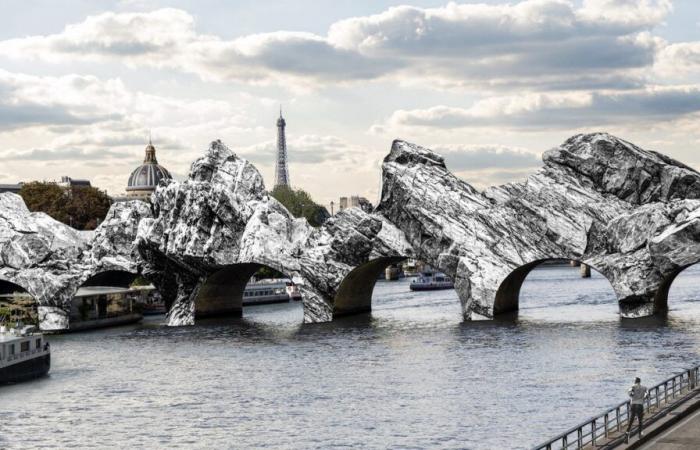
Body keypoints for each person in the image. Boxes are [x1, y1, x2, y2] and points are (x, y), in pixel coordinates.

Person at [625, 377, 648, 443]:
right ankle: (639, 435)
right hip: (640, 405)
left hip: (633, 404)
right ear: (640, 382)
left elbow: (629, 393)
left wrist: (633, 395)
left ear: (635, 381)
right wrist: (643, 397)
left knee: (631, 420)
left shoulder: (632, 387)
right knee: (640, 420)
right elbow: (647, 394)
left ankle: (627, 435)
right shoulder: (644, 387)